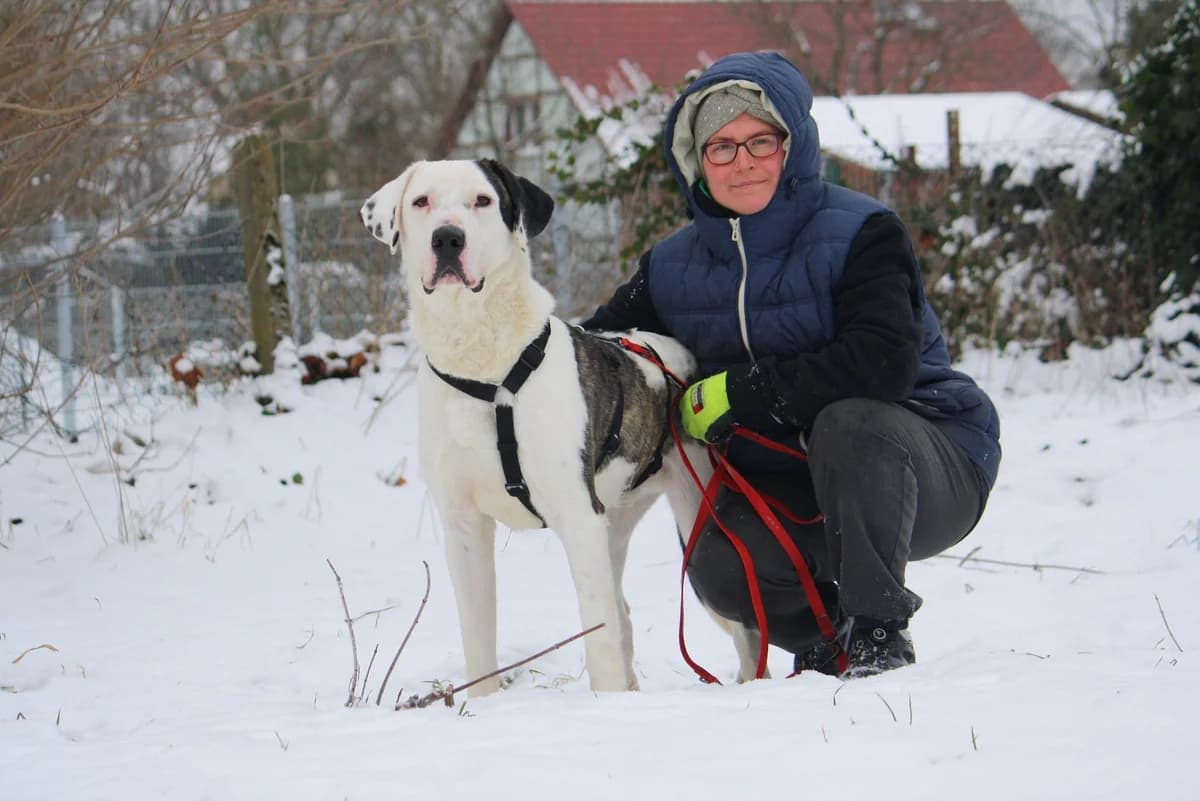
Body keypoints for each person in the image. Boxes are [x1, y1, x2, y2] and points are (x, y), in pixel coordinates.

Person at [582, 51, 1001, 678]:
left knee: (850, 421)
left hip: (922, 461)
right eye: (720, 147)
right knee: (719, 564)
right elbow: (595, 352)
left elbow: (881, 365)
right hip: (786, 485)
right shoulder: (671, 268)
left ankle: (876, 634)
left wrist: (742, 392)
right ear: (695, 162)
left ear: (793, 146)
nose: (742, 161)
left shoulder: (864, 233)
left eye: (760, 140)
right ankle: (821, 638)